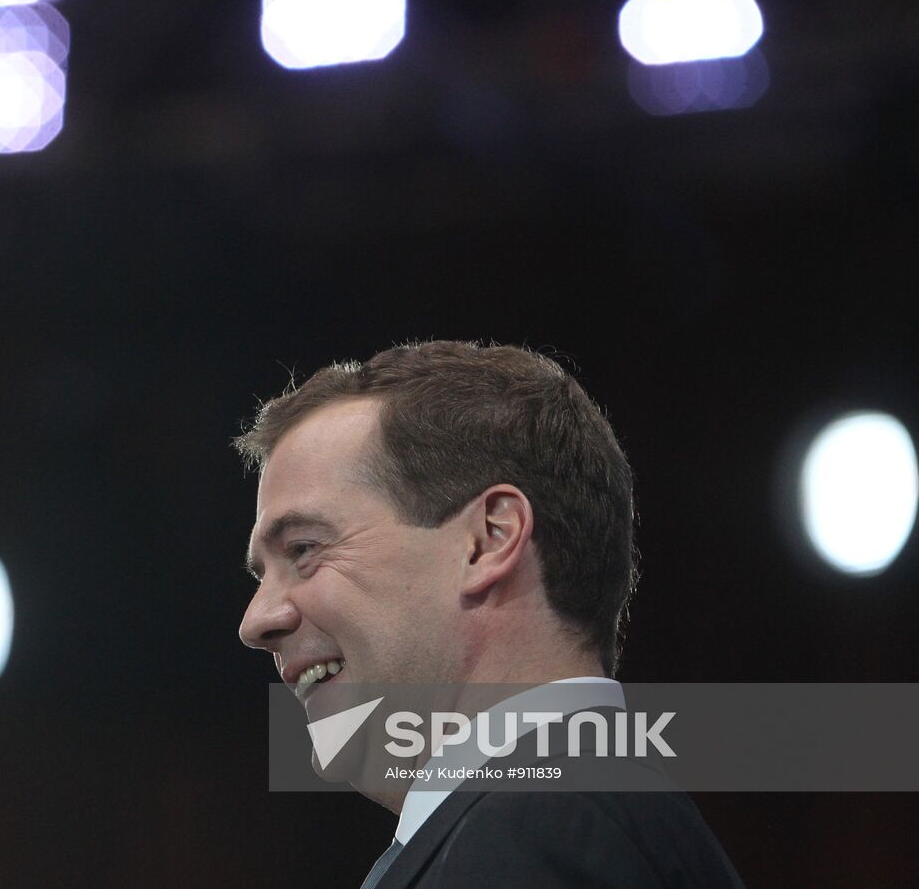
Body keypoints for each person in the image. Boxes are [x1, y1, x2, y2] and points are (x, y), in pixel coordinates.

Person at [235, 340, 743, 888]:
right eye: (262, 574)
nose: (256, 620)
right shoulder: (541, 816)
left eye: (304, 549)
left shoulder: (543, 825)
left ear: (487, 541)